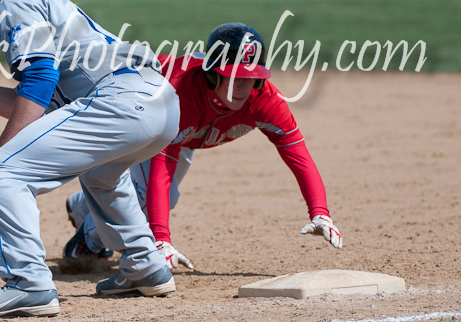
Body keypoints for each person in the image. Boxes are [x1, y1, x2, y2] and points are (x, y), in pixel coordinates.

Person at [0, 0, 181, 319]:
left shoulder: (16, 2)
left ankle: (28, 284)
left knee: (3, 171)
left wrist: (2, 148)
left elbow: (39, 79)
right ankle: (145, 265)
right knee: (101, 175)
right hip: (159, 104)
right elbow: (38, 102)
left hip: (121, 103)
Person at [64, 22, 342, 272]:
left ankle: (84, 206)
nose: (242, 86)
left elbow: (299, 157)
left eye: (249, 76)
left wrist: (320, 212)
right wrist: (162, 240)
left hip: (183, 136)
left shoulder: (265, 101)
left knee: (153, 198)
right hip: (136, 112)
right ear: (212, 75)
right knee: (154, 199)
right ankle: (87, 242)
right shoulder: (180, 95)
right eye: (232, 76)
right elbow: (161, 167)